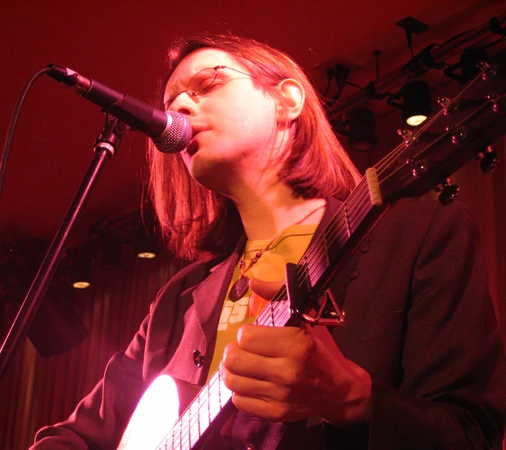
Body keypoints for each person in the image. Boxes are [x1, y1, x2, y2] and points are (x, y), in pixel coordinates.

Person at [31, 33, 506, 449]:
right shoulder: (178, 299)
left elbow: (471, 435)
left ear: (287, 101)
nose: (178, 109)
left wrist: (354, 401)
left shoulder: (416, 233)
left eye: (208, 84)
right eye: (172, 102)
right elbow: (75, 437)